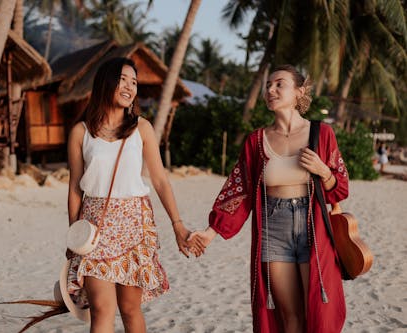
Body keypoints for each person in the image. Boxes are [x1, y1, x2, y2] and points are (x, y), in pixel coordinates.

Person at [189, 64, 349, 332]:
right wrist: (210, 233)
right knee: (289, 317)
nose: (271, 90)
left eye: (279, 84)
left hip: (313, 228)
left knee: (316, 312)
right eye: (268, 85)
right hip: (273, 228)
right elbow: (239, 190)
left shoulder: (322, 134)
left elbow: (340, 188)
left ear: (299, 91)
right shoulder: (256, 140)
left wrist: (323, 170)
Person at [65, 57, 202, 333]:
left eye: (134, 82)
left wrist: (177, 224)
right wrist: (74, 235)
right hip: (95, 227)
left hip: (134, 225)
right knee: (102, 309)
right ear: (106, 82)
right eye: (123, 79)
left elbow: (161, 181)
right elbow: (74, 187)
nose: (130, 86)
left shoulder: (142, 129)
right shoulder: (81, 132)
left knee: (129, 308)